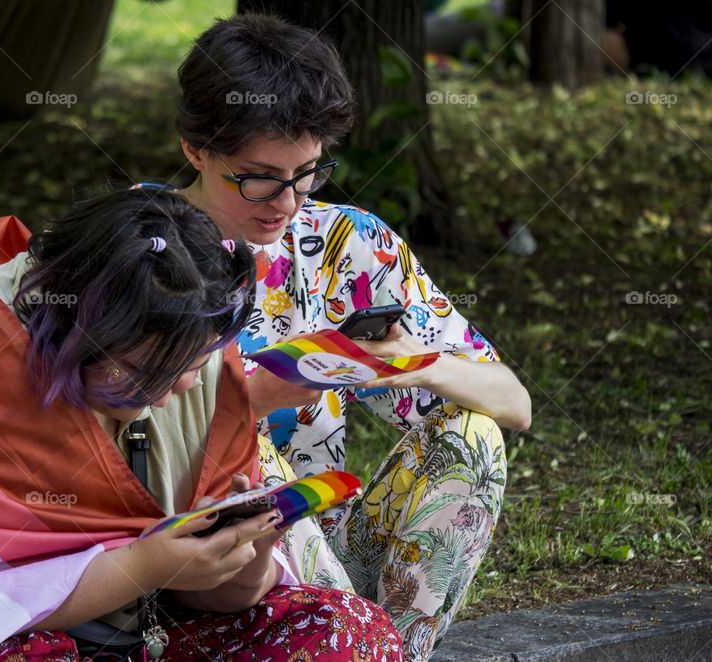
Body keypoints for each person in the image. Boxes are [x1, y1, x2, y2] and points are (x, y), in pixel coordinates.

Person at [0, 188, 405, 661]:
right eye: (148, 373)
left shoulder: (191, 339)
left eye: (196, 365)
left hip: (154, 633)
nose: (179, 389)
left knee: (349, 627)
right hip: (7, 644)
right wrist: (139, 568)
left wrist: (241, 564)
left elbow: (226, 596)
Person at [137, 13, 532, 660]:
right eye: (259, 176)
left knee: (474, 436)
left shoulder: (346, 243)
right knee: (256, 465)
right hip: (184, 567)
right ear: (194, 148)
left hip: (325, 550)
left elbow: (515, 404)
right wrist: (259, 398)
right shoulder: (135, 247)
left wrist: (418, 364)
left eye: (308, 173)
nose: (287, 204)